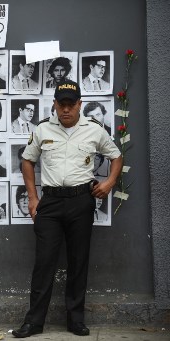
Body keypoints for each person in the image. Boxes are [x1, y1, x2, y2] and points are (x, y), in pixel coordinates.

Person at [13, 80, 122, 338]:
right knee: (44, 263)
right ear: (54, 105)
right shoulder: (42, 129)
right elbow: (27, 161)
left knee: (78, 261)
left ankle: (75, 320)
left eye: (70, 105)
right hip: (49, 203)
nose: (65, 110)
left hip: (80, 201)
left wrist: (109, 183)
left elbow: (116, 156)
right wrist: (32, 197)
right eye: (61, 104)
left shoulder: (94, 131)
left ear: (79, 105)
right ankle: (34, 322)